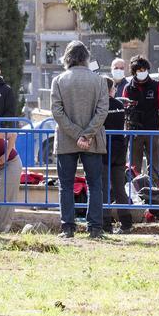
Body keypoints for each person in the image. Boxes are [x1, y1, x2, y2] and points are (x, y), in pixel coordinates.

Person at [50, 41, 108, 239]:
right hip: (93, 140)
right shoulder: (99, 81)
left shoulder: (58, 80)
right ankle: (95, 228)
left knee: (65, 185)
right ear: (86, 57)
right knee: (94, 184)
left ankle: (67, 227)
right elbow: (102, 112)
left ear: (67, 58)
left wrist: (76, 134)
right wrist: (87, 135)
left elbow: (56, 111)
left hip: (67, 140)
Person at [123, 56, 159, 185]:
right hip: (134, 133)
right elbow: (125, 111)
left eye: (144, 69)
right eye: (139, 70)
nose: (142, 72)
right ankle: (136, 196)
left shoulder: (156, 86)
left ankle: (155, 197)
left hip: (153, 131)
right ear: (134, 71)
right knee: (134, 168)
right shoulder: (128, 88)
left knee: (154, 168)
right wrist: (127, 132)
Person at [102, 75, 133, 234]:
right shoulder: (120, 105)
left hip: (104, 150)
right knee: (120, 188)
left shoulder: (100, 106)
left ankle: (106, 224)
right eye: (114, 88)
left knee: (104, 188)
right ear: (110, 89)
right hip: (119, 150)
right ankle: (126, 223)